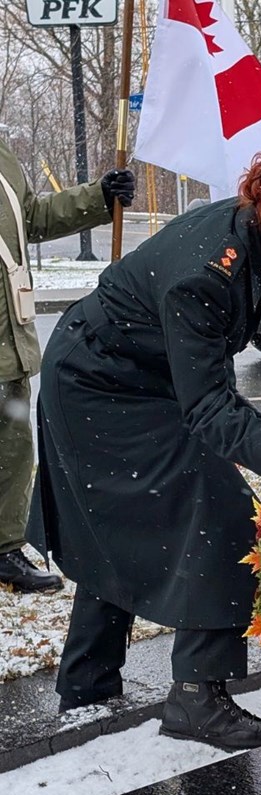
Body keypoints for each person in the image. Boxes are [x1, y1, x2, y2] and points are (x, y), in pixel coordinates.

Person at [33, 148, 261, 749]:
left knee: (124, 520)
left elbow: (211, 382)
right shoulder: (205, 273)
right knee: (218, 505)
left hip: (134, 375)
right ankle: (196, 697)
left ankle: (87, 681)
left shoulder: (249, 238)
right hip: (97, 385)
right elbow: (211, 409)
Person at [0, 149, 131, 595]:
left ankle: (4, 548)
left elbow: (32, 216)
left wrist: (99, 197)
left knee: (11, 448)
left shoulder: (3, 158)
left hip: (6, 338)